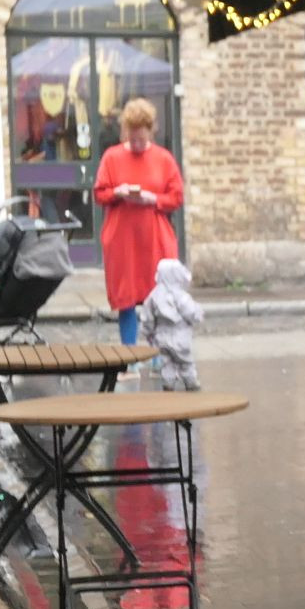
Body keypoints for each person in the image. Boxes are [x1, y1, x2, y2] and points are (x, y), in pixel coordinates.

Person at [90, 98, 182, 347]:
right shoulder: (112, 158)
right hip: (123, 239)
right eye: (133, 139)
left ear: (151, 132)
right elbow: (98, 194)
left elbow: (176, 197)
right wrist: (117, 193)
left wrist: (153, 199)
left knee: (157, 299)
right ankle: (130, 358)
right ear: (125, 133)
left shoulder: (163, 159)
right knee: (126, 299)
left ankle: (156, 356)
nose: (138, 145)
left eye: (142, 139)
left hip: (154, 239)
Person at [138, 256, 204, 391]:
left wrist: (147, 331)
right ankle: (190, 381)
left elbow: (147, 317)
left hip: (161, 337)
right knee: (186, 362)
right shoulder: (180, 296)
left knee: (167, 363)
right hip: (181, 337)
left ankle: (168, 382)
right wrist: (198, 314)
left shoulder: (154, 295)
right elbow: (191, 312)